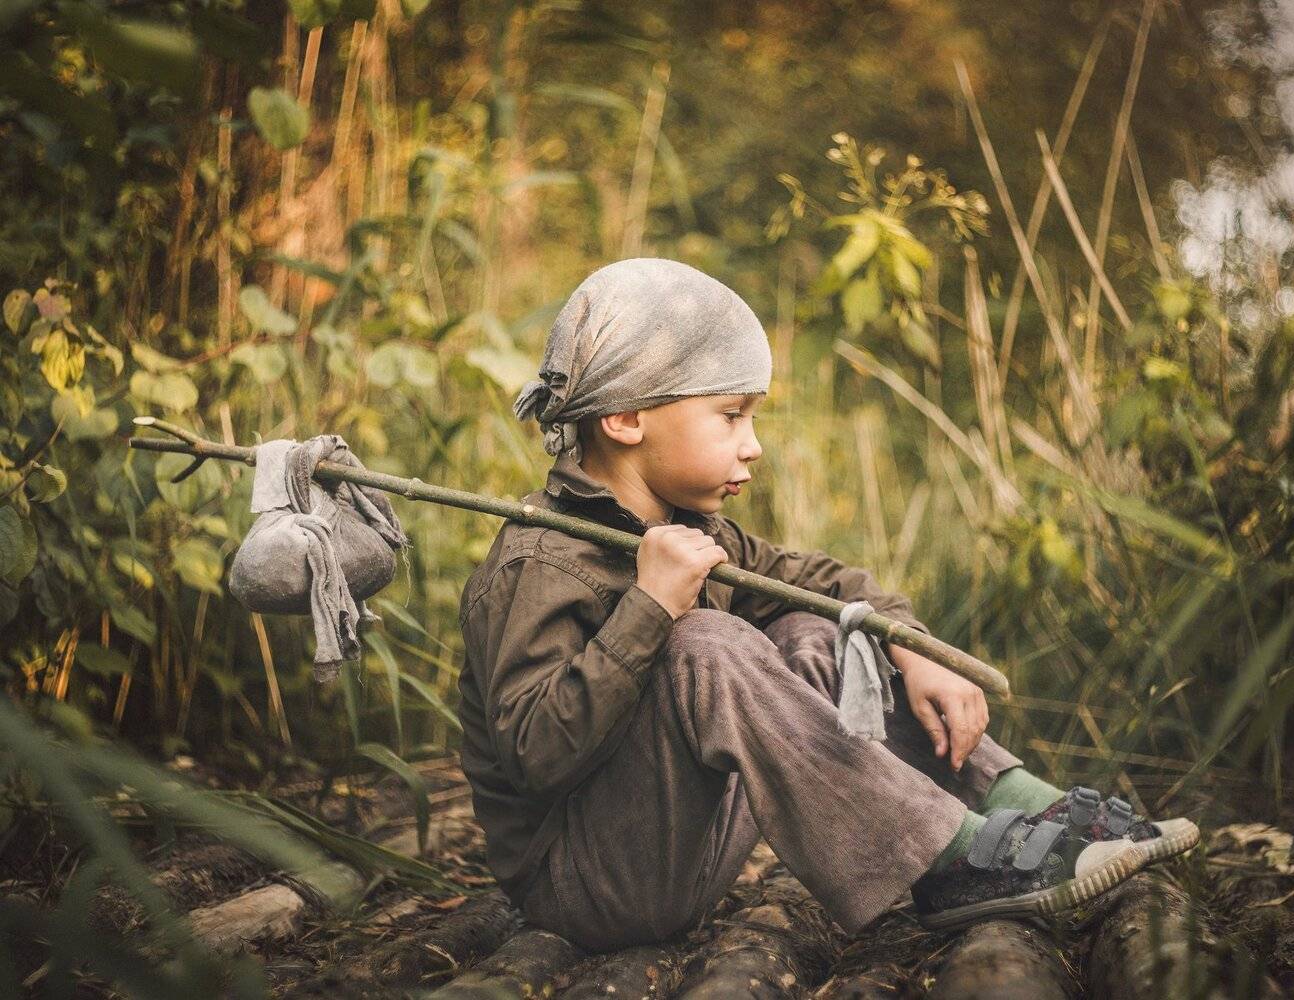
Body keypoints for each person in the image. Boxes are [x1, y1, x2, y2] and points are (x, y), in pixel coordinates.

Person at [456, 258, 1198, 952]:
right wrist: (650, 608)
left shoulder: (688, 530)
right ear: (625, 419)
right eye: (731, 415)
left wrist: (911, 646)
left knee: (815, 629)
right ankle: (954, 860)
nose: (753, 447)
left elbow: (822, 580)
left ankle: (1025, 803)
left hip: (683, 847)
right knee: (706, 644)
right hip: (586, 884)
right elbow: (534, 759)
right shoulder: (539, 563)